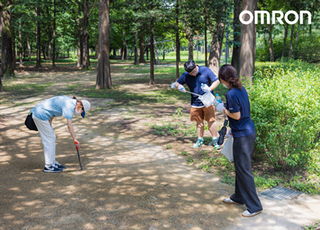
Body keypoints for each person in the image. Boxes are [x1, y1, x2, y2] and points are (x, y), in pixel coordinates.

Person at [218, 64, 263, 217]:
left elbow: (236, 115)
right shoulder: (240, 88)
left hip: (243, 135)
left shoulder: (231, 93)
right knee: (240, 167)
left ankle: (255, 206)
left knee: (244, 169)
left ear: (223, 79)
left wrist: (222, 109)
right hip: (244, 131)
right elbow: (239, 110)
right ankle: (239, 197)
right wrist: (225, 106)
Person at [30, 95, 91, 173]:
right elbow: (69, 125)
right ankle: (49, 166)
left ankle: (52, 163)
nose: (80, 113)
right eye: (82, 112)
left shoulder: (70, 102)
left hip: (42, 115)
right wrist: (75, 139)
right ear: (80, 106)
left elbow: (52, 111)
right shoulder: (70, 106)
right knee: (49, 139)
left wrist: (49, 125)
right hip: (40, 115)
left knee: (51, 138)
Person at [175, 60, 221, 149]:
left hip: (208, 101)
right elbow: (176, 84)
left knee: (210, 120)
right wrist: (179, 87)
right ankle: (200, 140)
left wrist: (209, 88)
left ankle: (215, 140)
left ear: (196, 65)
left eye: (193, 72)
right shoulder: (186, 75)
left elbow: (217, 81)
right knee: (199, 121)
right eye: (190, 73)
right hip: (195, 103)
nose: (192, 74)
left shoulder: (205, 70)